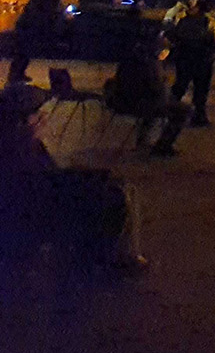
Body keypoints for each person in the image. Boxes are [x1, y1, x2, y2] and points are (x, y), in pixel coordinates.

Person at [0, 82, 148, 272]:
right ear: (24, 122)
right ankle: (108, 259)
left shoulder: (22, 143)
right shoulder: (19, 149)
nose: (44, 119)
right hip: (34, 215)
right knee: (115, 195)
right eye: (38, 115)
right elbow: (43, 186)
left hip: (37, 206)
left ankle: (120, 254)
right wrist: (84, 180)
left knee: (114, 185)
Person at [108, 36, 186, 156]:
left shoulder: (130, 61)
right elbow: (156, 89)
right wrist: (165, 83)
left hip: (121, 102)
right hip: (140, 104)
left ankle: (143, 141)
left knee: (156, 106)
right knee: (182, 111)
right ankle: (163, 146)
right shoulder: (152, 65)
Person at [168, 0, 215, 127]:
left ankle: (170, 112)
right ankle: (199, 116)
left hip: (184, 58)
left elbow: (174, 37)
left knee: (180, 86)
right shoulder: (211, 22)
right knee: (201, 89)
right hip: (203, 59)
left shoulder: (183, 21)